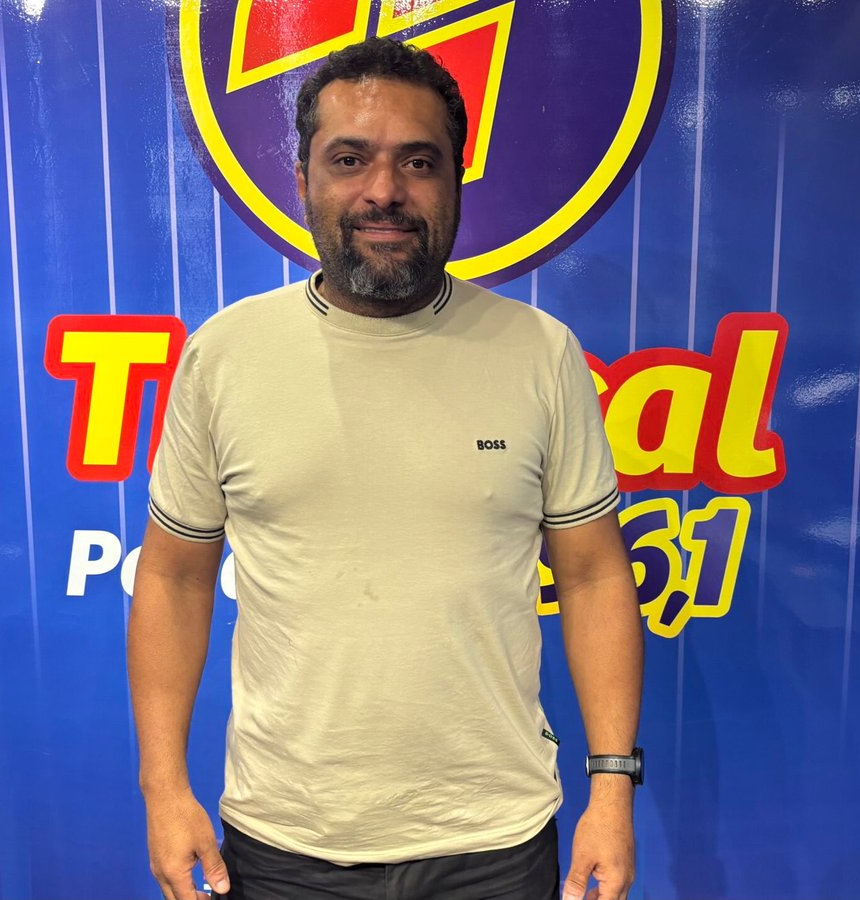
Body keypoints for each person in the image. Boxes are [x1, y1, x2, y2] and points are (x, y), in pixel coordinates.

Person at [129, 37, 643, 900]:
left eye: (418, 161)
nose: (384, 191)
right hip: (285, 841)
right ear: (303, 179)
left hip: (497, 840)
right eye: (350, 159)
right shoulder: (226, 356)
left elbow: (593, 576)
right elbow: (174, 579)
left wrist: (612, 790)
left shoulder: (540, 354)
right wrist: (163, 788)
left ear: (456, 179)